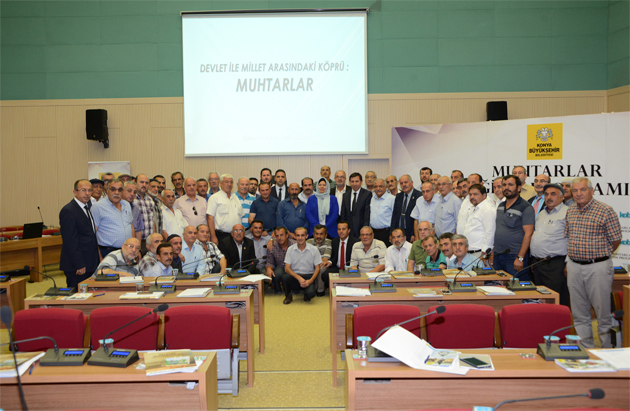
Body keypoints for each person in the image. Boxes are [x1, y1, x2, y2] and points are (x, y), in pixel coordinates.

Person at [565, 177, 622, 348]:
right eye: (575, 190)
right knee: (579, 314)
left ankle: (608, 351)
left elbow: (616, 240)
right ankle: (586, 350)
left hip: (597, 267)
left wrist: (599, 256)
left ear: (591, 190)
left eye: (582, 189)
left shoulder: (605, 210)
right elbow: (569, 237)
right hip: (574, 266)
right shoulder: (570, 210)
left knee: (603, 313)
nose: (578, 193)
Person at [530, 183, 569, 306]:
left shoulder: (567, 213)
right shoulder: (542, 213)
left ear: (562, 197)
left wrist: (568, 263)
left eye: (553, 194)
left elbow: (573, 239)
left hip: (555, 264)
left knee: (555, 299)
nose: (549, 197)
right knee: (540, 300)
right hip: (538, 264)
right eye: (546, 194)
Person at [491, 174, 535, 280]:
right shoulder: (500, 206)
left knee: (516, 287)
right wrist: (492, 253)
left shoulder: (526, 207)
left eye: (510, 185)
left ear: (519, 188)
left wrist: (520, 258)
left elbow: (529, 234)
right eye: (504, 185)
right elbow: (498, 230)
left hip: (514, 256)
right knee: (498, 286)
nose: (506, 188)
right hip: (498, 255)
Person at [59, 179, 99, 288]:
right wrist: (79, 264)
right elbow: (70, 241)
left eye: (89, 190)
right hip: (77, 265)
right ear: (75, 192)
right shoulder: (69, 210)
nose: (87, 193)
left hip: (89, 261)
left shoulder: (87, 208)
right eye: (83, 190)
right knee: (77, 293)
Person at [91, 178, 134, 257]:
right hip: (107, 252)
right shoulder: (97, 207)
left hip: (127, 250)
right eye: (113, 189)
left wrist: (134, 248)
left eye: (120, 190)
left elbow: (131, 227)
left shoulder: (127, 204)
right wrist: (99, 255)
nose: (117, 193)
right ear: (107, 191)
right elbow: (93, 234)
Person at [282, 227, 322, 304]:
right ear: (295, 236)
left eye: (302, 235)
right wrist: (299, 278)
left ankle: (306, 293)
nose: (300, 238)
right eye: (298, 235)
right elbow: (287, 268)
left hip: (308, 277)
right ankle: (288, 296)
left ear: (307, 236)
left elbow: (317, 268)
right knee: (284, 277)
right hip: (295, 277)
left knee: (310, 294)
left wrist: (310, 281)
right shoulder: (290, 249)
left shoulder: (314, 249)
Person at [320, 221, 359, 292]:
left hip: (350, 267)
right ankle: (338, 288)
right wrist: (329, 262)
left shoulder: (355, 242)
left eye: (343, 229)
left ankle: (342, 288)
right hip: (337, 267)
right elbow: (334, 258)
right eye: (339, 229)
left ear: (349, 230)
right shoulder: (334, 241)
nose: (341, 231)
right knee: (325, 275)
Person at [207, 174, 244, 245]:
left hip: (235, 236)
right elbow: (210, 218)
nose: (229, 184)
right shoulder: (214, 197)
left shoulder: (236, 198)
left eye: (231, 182)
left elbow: (240, 217)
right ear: (221, 183)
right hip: (221, 236)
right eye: (226, 182)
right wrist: (213, 236)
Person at [461, 184, 496, 258]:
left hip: (480, 253)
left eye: (475, 194)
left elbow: (490, 233)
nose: (472, 197)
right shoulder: (473, 208)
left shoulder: (487, 209)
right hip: (470, 252)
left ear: (484, 195)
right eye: (470, 194)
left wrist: (484, 254)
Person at [390, 174, 421, 242]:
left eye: (406, 182)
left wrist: (414, 234)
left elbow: (418, 218)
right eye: (401, 183)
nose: (403, 185)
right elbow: (394, 215)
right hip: (399, 232)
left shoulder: (419, 196)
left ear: (411, 182)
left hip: (411, 232)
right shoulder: (398, 196)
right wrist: (392, 232)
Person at [266, 226, 296, 294]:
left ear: (287, 235)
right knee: (275, 274)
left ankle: (295, 288)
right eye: (277, 236)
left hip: (293, 267)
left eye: (282, 235)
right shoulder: (272, 246)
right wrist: (268, 269)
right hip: (280, 267)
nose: (279, 238)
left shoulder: (294, 245)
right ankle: (278, 289)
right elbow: (270, 262)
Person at [307, 225, 332, 296]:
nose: (318, 236)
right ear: (313, 234)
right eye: (316, 234)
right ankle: (311, 287)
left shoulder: (329, 242)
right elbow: (307, 258)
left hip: (322, 264)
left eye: (321, 234)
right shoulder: (308, 242)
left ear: (326, 235)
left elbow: (325, 259)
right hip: (311, 263)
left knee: (321, 267)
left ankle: (320, 290)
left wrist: (315, 262)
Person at [369, 179, 395, 246]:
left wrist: (392, 234)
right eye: (376, 186)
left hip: (386, 233)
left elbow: (395, 218)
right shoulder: (372, 198)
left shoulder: (392, 199)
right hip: (373, 233)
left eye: (380, 186)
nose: (378, 189)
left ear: (386, 187)